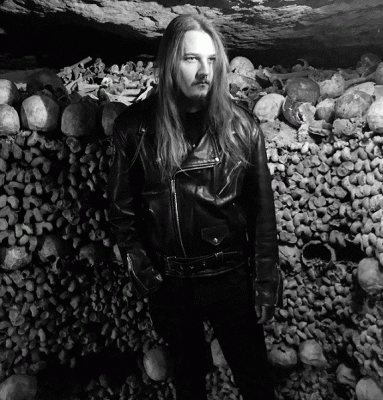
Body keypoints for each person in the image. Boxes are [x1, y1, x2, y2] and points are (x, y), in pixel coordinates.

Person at [107, 13, 282, 400]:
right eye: (191, 59)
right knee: (188, 383)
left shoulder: (242, 128)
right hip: (172, 285)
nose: (205, 71)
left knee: (256, 381)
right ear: (171, 62)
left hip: (230, 281)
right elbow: (122, 214)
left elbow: (262, 215)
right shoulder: (134, 129)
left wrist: (265, 283)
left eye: (211, 60)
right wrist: (149, 281)